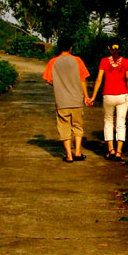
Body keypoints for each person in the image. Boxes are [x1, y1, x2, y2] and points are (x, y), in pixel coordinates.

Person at [42, 35, 93, 163]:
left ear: (59, 47)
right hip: (76, 100)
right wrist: (86, 96)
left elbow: (48, 79)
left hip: (62, 101)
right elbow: (83, 79)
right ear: (70, 47)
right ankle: (78, 152)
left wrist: (59, 85)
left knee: (64, 127)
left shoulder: (53, 62)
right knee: (77, 126)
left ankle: (69, 155)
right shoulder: (78, 60)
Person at [89, 41, 128, 160]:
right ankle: (119, 151)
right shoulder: (126, 62)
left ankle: (111, 150)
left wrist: (93, 96)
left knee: (108, 121)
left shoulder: (104, 61)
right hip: (122, 95)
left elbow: (99, 79)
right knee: (121, 123)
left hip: (108, 95)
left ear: (109, 48)